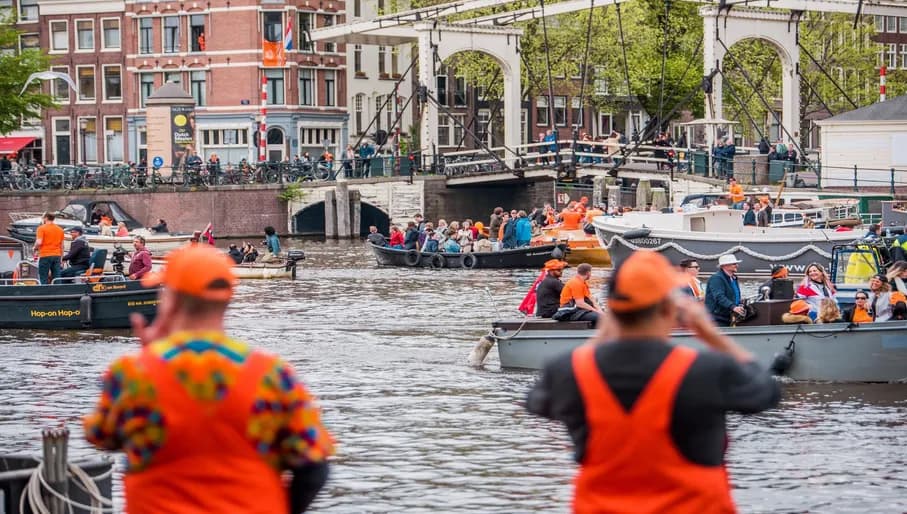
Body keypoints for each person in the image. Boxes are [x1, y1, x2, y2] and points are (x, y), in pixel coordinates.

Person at [83, 245, 334, 514]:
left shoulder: (133, 374)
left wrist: (149, 356)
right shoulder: (273, 375)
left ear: (172, 300)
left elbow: (101, 436)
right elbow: (314, 468)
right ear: (227, 300)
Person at [526, 250, 780, 514]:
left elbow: (536, 402)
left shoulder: (569, 371)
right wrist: (710, 334)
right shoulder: (705, 369)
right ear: (670, 308)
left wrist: (601, 335)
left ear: (612, 309)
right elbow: (766, 392)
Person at [705, 254, 745, 326]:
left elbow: (733, 295)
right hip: (716, 318)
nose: (737, 265)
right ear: (725, 265)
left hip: (727, 316)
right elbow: (719, 296)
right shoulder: (716, 278)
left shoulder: (733, 278)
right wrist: (733, 307)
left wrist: (739, 303)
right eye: (734, 264)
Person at [33, 212, 65, 284]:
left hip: (45, 255)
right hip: (57, 255)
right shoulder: (60, 230)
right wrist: (61, 258)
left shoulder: (41, 228)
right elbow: (62, 246)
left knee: (43, 276)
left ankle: (44, 292)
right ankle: (57, 291)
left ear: (46, 218)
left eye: (43, 217)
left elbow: (39, 242)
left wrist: (34, 248)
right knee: (57, 277)